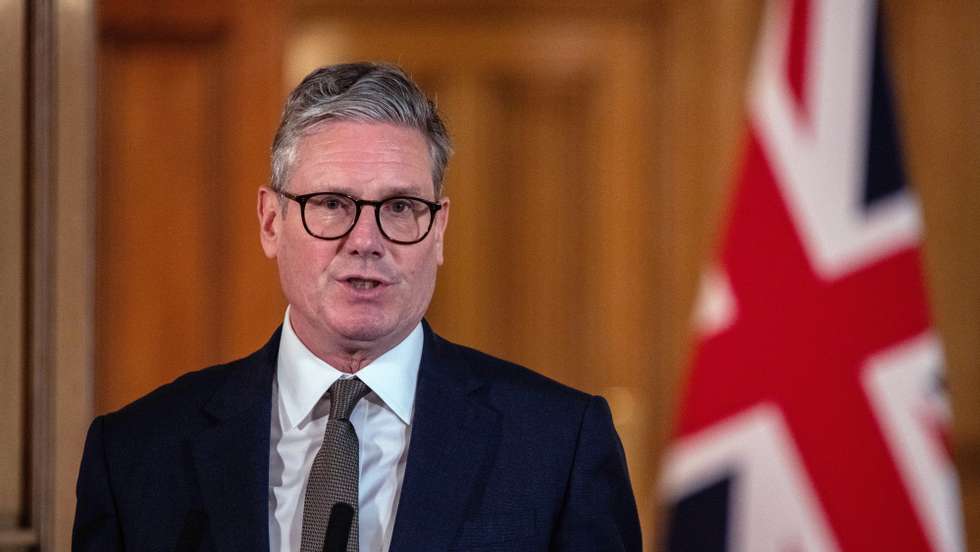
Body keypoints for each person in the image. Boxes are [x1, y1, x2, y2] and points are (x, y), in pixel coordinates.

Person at [73, 62, 641, 552]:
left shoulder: (557, 447)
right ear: (271, 222)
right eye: (331, 203)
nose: (366, 239)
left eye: (399, 207)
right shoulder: (136, 454)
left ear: (438, 230)